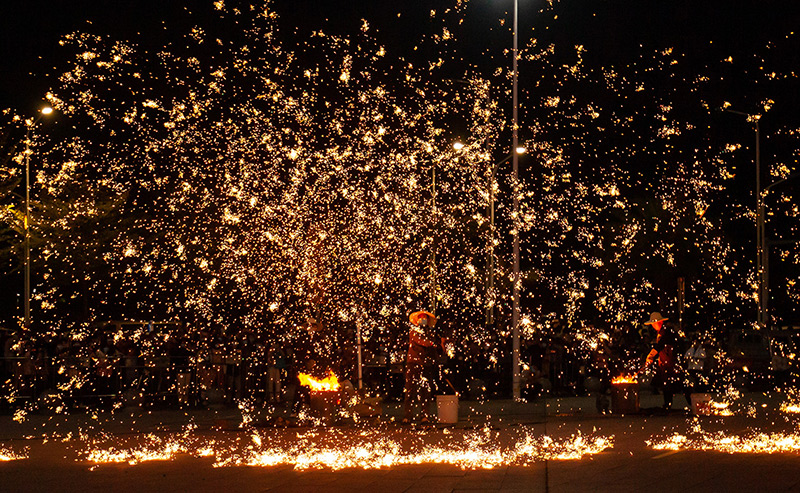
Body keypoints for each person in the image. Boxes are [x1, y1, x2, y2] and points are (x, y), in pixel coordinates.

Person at [638, 312, 691, 410]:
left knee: (679, 385)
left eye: (654, 324)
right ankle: (668, 404)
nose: (653, 326)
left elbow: (661, 345)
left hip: (672, 363)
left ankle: (692, 403)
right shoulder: (662, 332)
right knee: (667, 386)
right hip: (666, 364)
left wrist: (651, 355)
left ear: (659, 322)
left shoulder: (666, 332)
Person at [402, 311, 444, 424]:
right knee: (410, 389)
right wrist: (433, 344)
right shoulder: (414, 331)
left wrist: (437, 358)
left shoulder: (430, 333)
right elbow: (422, 342)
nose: (423, 319)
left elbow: (433, 349)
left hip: (426, 364)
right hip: (413, 363)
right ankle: (408, 415)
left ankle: (425, 415)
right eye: (421, 317)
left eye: (424, 317)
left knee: (425, 391)